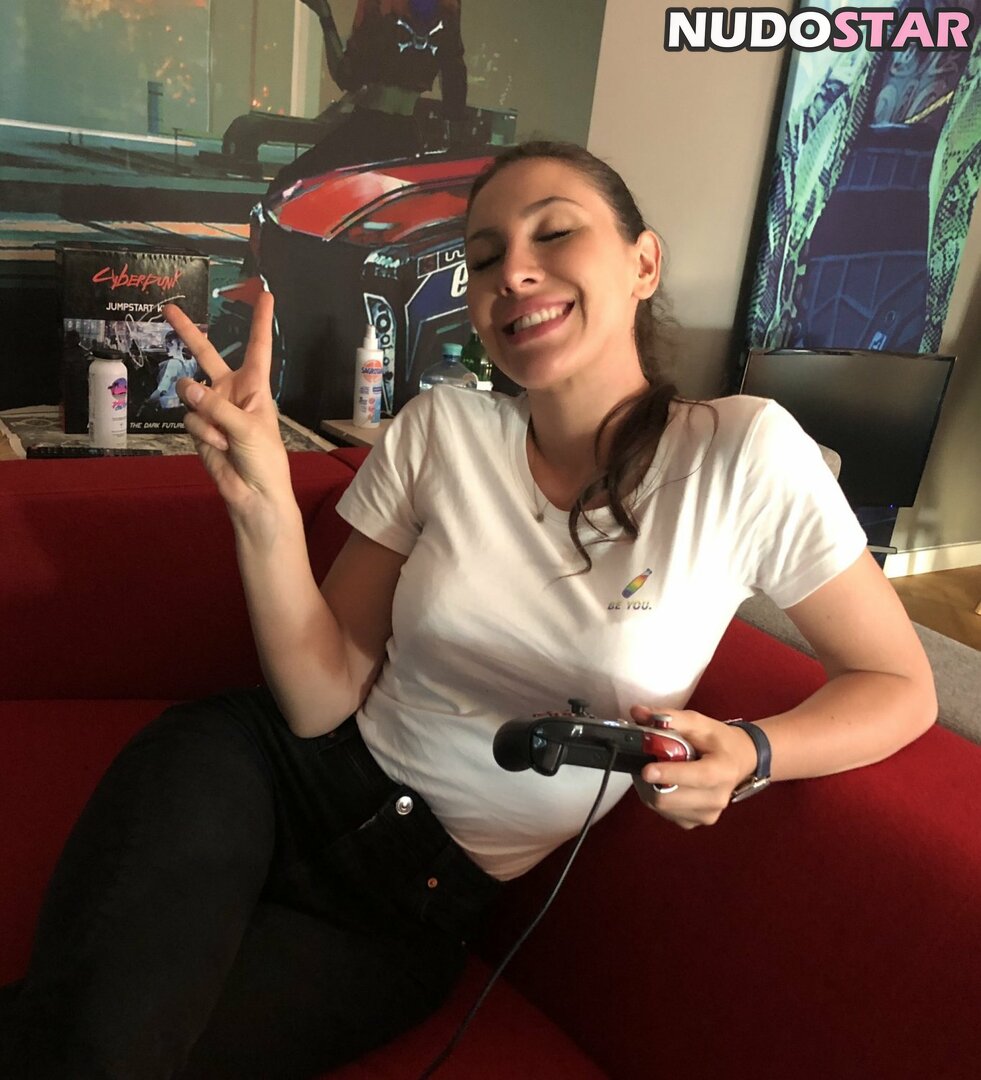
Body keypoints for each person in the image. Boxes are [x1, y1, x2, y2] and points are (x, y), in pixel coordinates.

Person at [0, 141, 937, 1079]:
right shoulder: (441, 429)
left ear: (643, 262)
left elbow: (899, 685)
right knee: (99, 1038)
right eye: (483, 256)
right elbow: (320, 699)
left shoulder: (744, 455)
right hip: (261, 773)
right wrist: (264, 506)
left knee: (98, 1045)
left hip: (410, 906)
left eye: (553, 233)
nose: (512, 272)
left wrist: (754, 753)